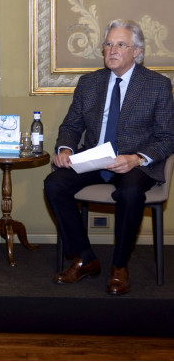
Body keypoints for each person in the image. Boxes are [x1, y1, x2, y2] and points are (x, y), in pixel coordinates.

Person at [45, 18, 174, 295]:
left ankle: (119, 266)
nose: (111, 50)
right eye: (108, 44)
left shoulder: (157, 85)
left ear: (136, 51)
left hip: (134, 163)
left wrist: (137, 158)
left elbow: (167, 138)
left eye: (120, 44)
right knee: (54, 184)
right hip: (95, 157)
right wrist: (65, 148)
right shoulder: (90, 83)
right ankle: (85, 257)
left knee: (130, 194)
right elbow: (71, 126)